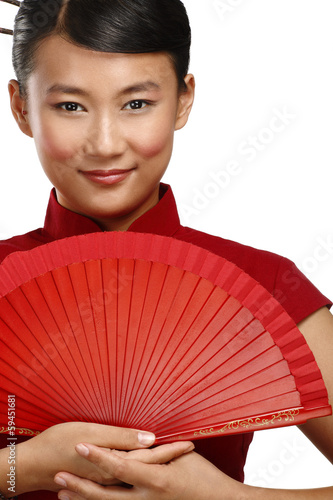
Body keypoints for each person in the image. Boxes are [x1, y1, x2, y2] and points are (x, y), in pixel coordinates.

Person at [0, 0, 332, 498]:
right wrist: (22, 468)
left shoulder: (266, 288)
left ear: (182, 100)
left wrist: (225, 497)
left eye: (136, 103)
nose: (106, 143)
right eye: (70, 105)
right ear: (22, 107)